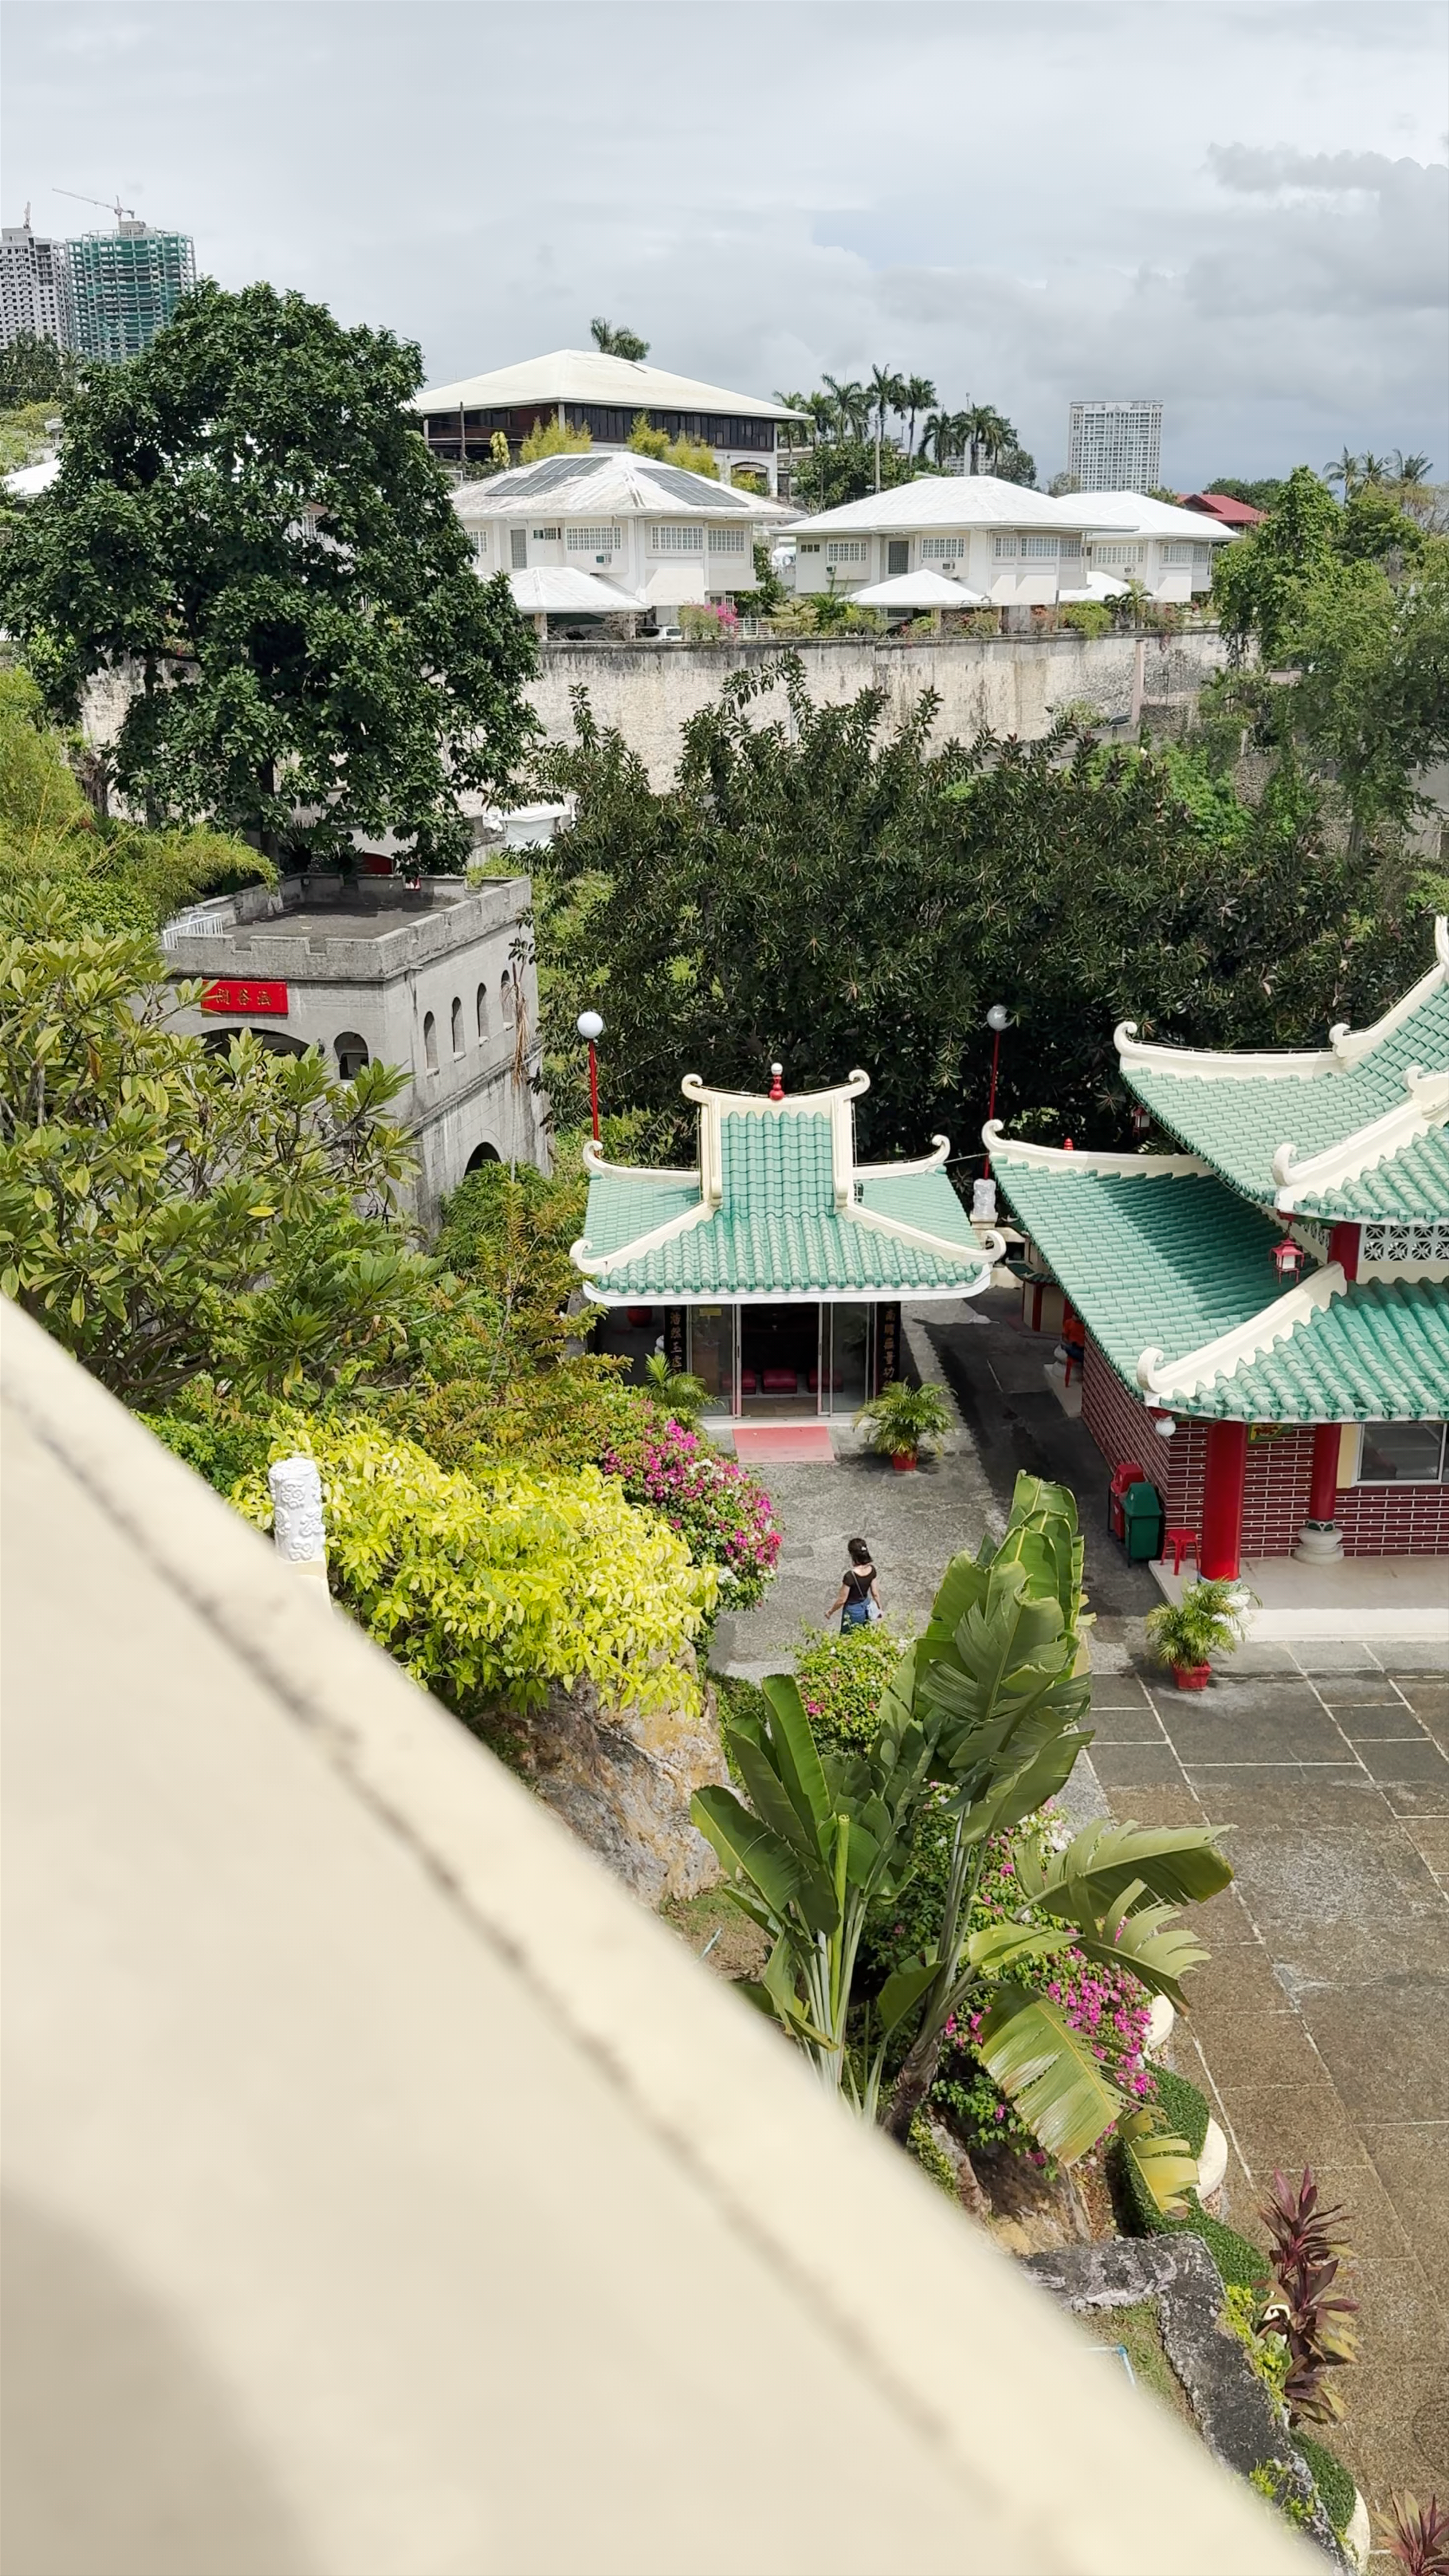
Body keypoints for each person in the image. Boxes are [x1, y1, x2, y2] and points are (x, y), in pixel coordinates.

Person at [828, 1537, 882, 1635]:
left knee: (847, 1637)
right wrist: (879, 1609)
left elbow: (842, 1600)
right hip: (866, 1607)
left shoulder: (850, 1576)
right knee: (863, 1634)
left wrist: (830, 1612)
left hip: (853, 1611)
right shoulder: (872, 1570)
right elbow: (875, 1594)